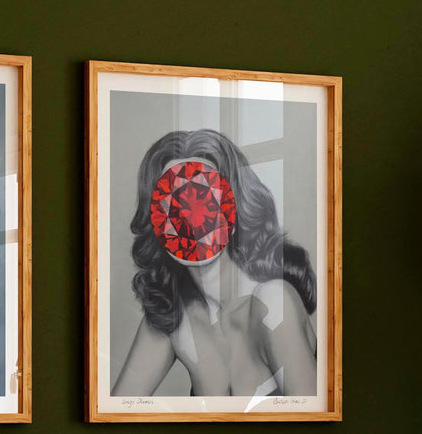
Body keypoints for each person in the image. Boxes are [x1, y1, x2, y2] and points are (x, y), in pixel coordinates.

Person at [112, 128, 317, 398]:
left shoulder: (272, 303)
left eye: (202, 195)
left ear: (234, 206)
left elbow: (311, 427)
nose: (188, 216)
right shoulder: (175, 316)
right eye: (170, 202)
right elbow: (113, 412)